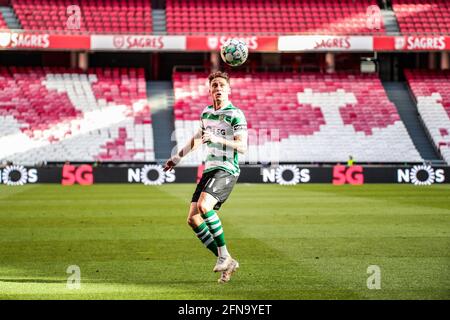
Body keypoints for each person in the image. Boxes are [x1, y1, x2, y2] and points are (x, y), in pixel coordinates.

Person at [164, 71, 248, 284]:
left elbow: (243, 146)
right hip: (210, 169)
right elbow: (197, 138)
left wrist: (218, 139)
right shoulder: (207, 113)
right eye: (214, 86)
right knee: (193, 219)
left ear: (229, 89)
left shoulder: (235, 114)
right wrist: (177, 157)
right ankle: (227, 260)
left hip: (227, 168)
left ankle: (222, 255)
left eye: (221, 85)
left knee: (204, 207)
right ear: (209, 90)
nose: (218, 88)